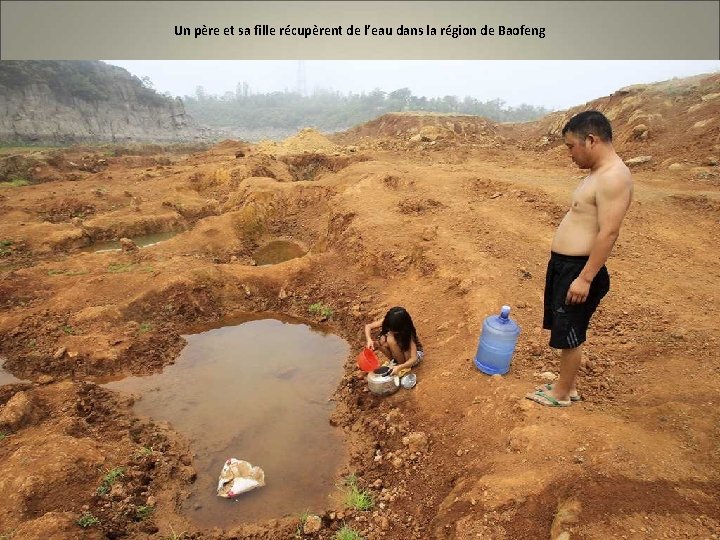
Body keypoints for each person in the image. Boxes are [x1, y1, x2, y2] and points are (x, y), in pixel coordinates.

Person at [526, 110, 633, 407]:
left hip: (578, 269)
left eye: (571, 147)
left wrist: (585, 278)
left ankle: (560, 394)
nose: (570, 154)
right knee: (565, 328)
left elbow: (609, 232)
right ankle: (566, 386)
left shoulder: (614, 177)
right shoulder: (598, 174)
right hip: (566, 266)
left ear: (590, 140)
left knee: (570, 331)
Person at [365, 306, 424, 377]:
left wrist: (400, 367)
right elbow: (368, 326)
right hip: (401, 351)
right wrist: (369, 340)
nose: (391, 330)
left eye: (393, 330)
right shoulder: (389, 321)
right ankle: (396, 362)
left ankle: (400, 365)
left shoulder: (408, 334)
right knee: (380, 341)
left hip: (414, 356)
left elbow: (414, 358)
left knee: (391, 339)